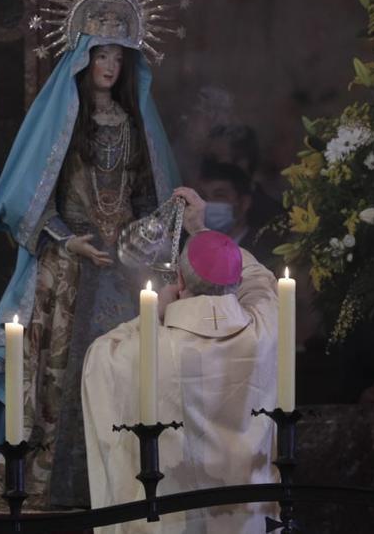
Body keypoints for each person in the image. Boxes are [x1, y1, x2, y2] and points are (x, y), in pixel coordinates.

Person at [0, 0, 182, 522]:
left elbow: (151, 198)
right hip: (65, 276)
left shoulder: (134, 126)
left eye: (119, 56)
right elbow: (27, 202)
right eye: (100, 54)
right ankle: (41, 500)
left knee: (129, 384)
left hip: (123, 278)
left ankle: (123, 496)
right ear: (81, 56)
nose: (109, 66)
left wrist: (154, 232)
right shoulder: (61, 126)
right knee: (53, 386)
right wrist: (71, 245)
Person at [82, 187, 277, 533]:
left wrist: (154, 314)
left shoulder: (147, 348)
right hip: (246, 519)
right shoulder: (265, 330)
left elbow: (99, 359)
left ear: (180, 279)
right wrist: (201, 230)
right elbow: (260, 280)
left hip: (171, 521)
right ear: (235, 281)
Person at [195, 160, 282, 270]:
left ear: (244, 203)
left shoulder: (267, 252)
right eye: (202, 196)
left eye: (219, 196)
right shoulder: (191, 247)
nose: (207, 203)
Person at [203, 124, 283, 234]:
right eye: (208, 159)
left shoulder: (274, 217)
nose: (207, 166)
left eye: (215, 159)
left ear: (242, 162)